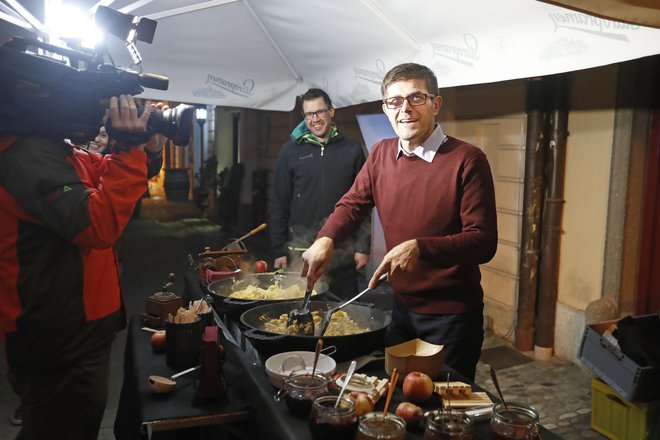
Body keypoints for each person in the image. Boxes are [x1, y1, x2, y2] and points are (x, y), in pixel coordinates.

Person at [301, 63, 498, 381]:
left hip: (452, 317)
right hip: (401, 309)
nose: (405, 109)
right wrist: (326, 238)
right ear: (385, 109)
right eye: (395, 101)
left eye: (416, 98)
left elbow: (484, 241)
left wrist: (421, 247)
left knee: (444, 413)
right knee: (399, 401)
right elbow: (353, 205)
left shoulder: (468, 160)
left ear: (436, 104)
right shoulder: (380, 153)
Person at [0, 94, 165, 439]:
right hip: (59, 335)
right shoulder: (25, 155)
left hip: (74, 330)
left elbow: (105, 169)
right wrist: (130, 147)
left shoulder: (49, 150)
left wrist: (145, 149)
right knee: (63, 427)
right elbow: (98, 223)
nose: (98, 115)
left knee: (57, 423)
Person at [270, 88, 371, 299]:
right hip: (301, 253)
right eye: (308, 114)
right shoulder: (290, 151)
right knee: (302, 313)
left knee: (343, 317)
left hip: (341, 251)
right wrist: (278, 249)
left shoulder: (352, 150)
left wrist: (363, 246)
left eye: (320, 112)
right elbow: (279, 203)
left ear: (331, 111)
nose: (314, 119)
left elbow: (364, 203)